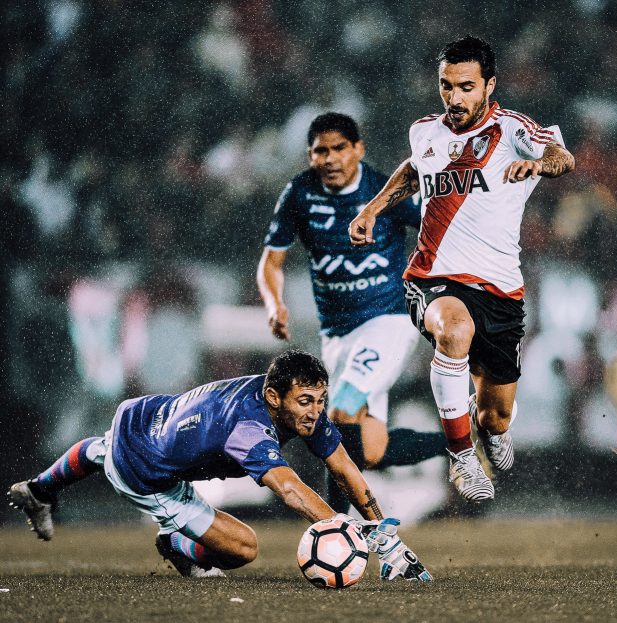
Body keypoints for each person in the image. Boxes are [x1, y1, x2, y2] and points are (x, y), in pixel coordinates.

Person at [349, 36, 575, 502]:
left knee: (497, 415)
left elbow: (562, 158)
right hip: (432, 277)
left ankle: (487, 430)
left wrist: (536, 167)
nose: (454, 98)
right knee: (453, 329)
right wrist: (373, 208)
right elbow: (414, 170)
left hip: (501, 291)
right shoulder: (426, 130)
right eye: (446, 86)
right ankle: (462, 458)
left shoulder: (514, 130)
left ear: (489, 85)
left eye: (466, 87)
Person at [8, 350, 431, 581]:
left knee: (102, 448)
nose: (314, 412)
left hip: (141, 416)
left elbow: (345, 468)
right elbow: (288, 489)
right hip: (148, 473)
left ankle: (38, 489)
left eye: (320, 401)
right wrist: (350, 530)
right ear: (272, 397)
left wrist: (383, 530)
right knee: (244, 548)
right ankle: (176, 544)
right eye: (305, 402)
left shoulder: (295, 406)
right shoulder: (247, 427)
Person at [257, 113, 446, 513]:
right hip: (338, 335)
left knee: (338, 409)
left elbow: (438, 228)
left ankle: (336, 529)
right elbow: (271, 263)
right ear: (310, 156)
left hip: (389, 320)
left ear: (358, 149)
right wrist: (275, 304)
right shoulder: (300, 194)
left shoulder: (385, 190)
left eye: (339, 148)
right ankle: (464, 440)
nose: (330, 158)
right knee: (371, 450)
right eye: (320, 151)